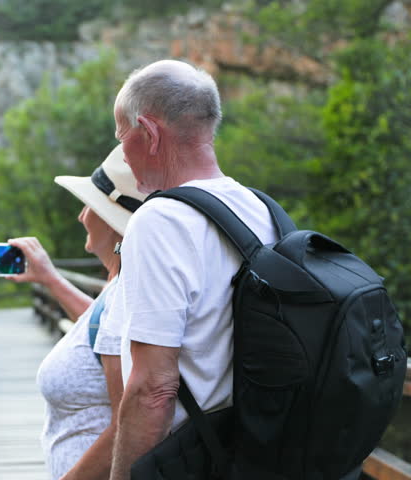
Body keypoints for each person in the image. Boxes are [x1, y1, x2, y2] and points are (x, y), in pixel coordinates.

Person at [106, 60, 278, 479]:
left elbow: (154, 389)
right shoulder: (261, 209)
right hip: (257, 448)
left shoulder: (160, 220)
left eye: (121, 138)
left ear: (148, 133)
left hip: (192, 458)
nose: (124, 157)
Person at [6, 144, 146, 480]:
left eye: (89, 206)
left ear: (114, 224)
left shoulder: (124, 293)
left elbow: (126, 424)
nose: (81, 216)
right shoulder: (120, 288)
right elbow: (102, 337)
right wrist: (50, 278)